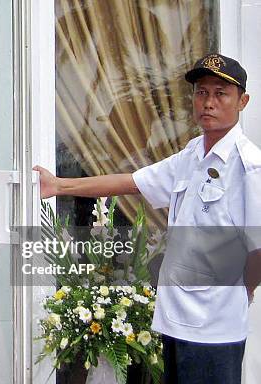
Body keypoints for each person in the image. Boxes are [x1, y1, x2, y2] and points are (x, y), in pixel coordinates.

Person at [34, 53, 261, 384]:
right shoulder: (192, 155)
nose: (208, 102)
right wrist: (58, 186)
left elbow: (259, 249)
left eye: (220, 93)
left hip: (215, 327)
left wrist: (244, 288)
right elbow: (132, 182)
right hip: (175, 318)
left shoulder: (249, 166)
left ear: (242, 101)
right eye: (201, 92)